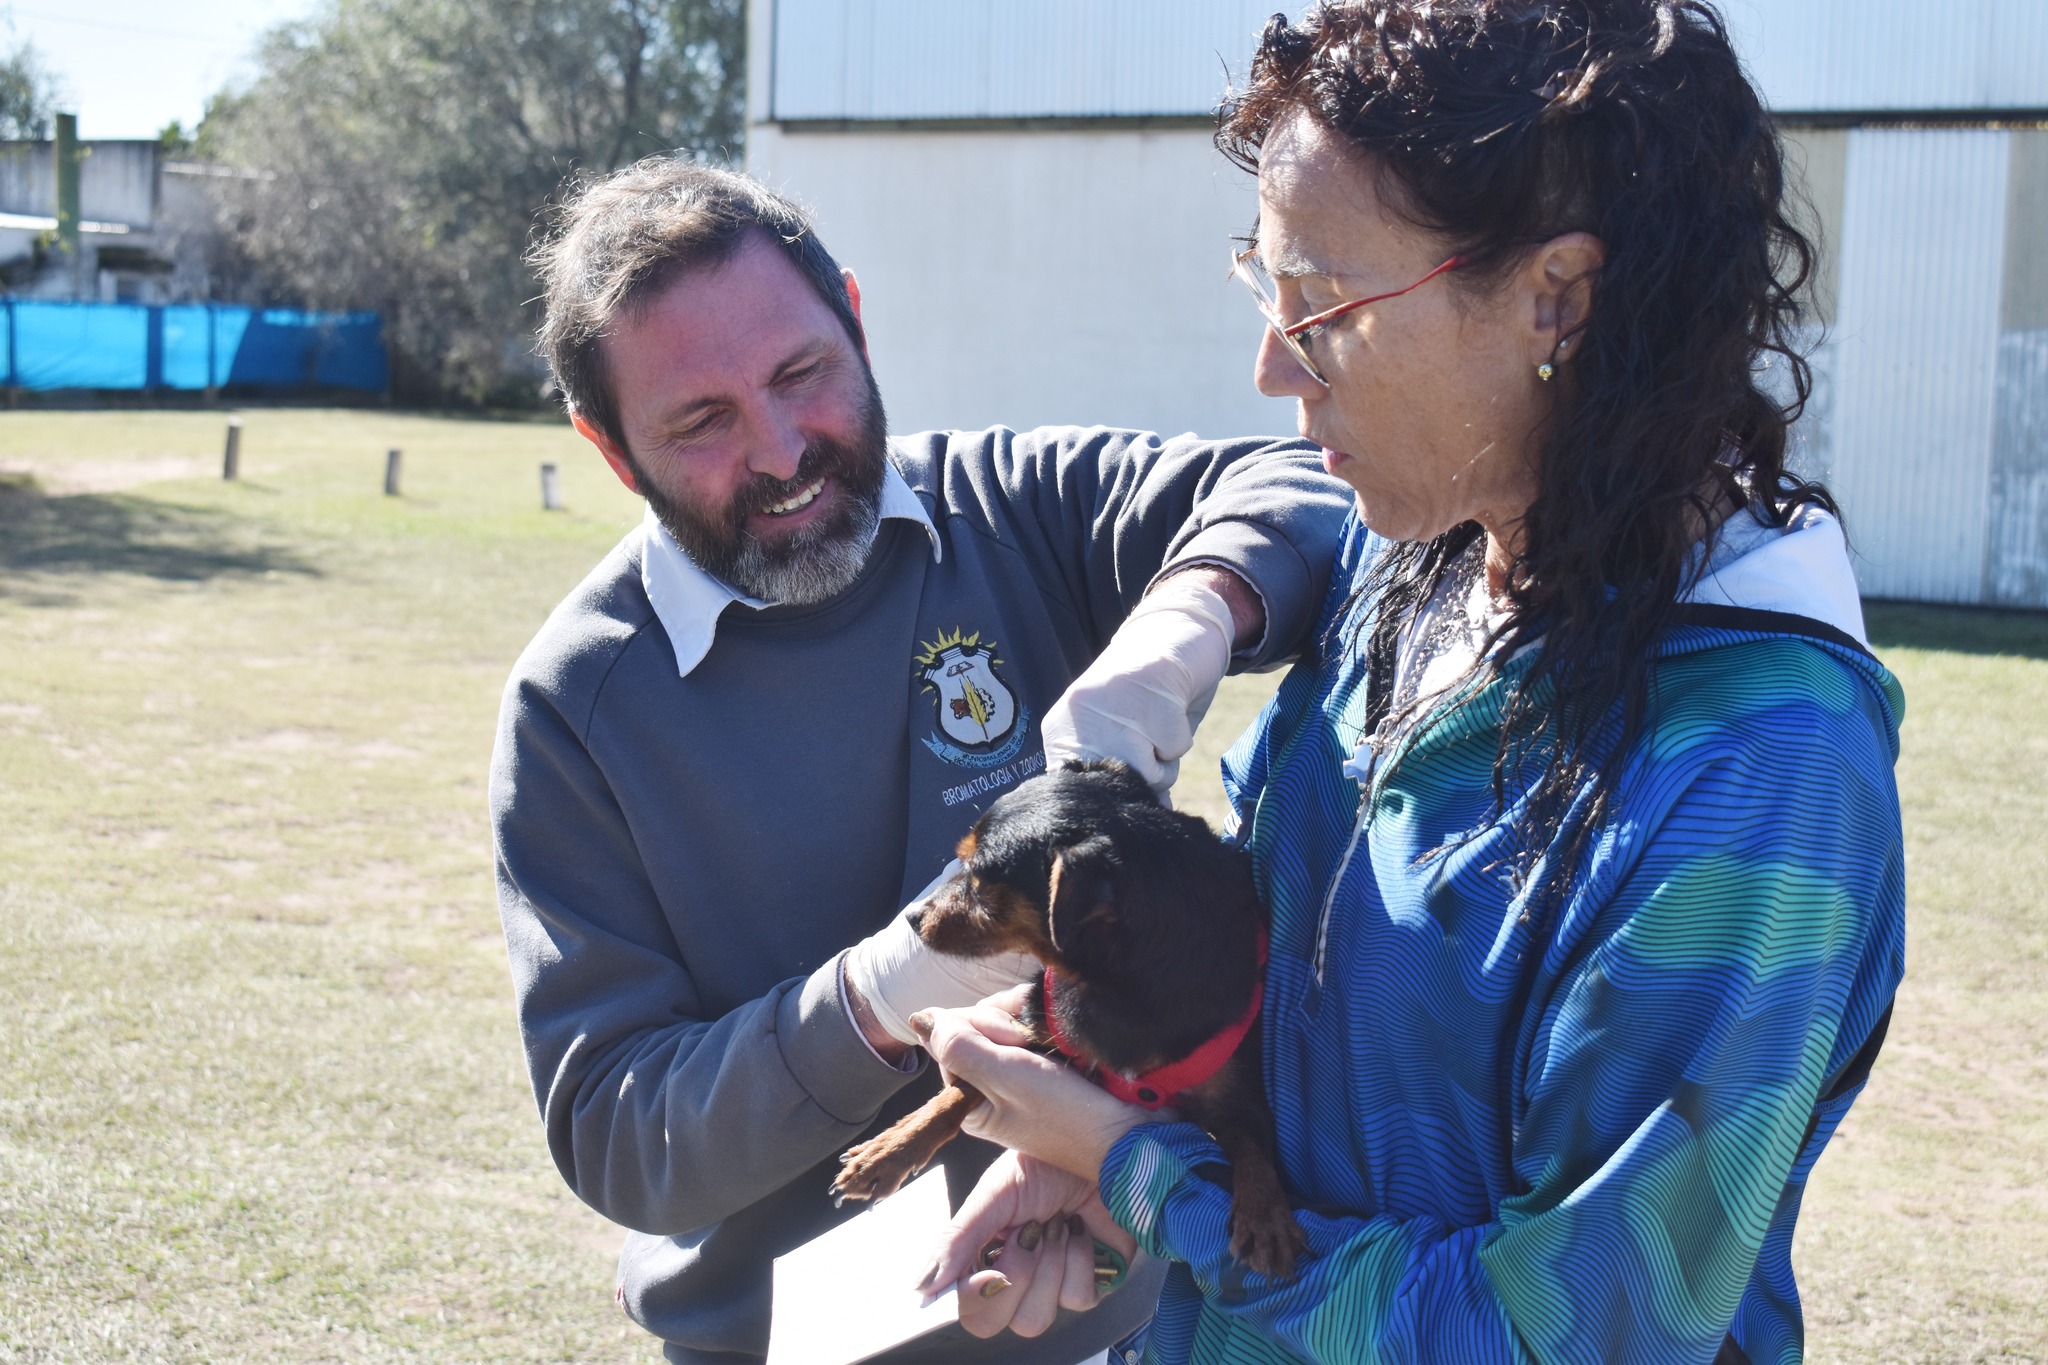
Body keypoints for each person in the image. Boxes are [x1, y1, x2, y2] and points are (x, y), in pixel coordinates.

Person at [914, 3, 1908, 1362]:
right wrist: (1118, 1113)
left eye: (1322, 307)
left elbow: (1566, 1336)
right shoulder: (1428, 548)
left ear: (1556, 299)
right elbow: (1308, 1021)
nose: (1271, 366)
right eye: (1264, 290)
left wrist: (1142, 1169)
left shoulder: (1759, 773)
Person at [489, 159, 1352, 1365]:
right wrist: (880, 998)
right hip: (782, 1343)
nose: (781, 451)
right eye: (700, 422)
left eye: (801, 372)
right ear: (609, 445)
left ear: (852, 315)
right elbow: (619, 1137)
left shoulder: (1013, 507)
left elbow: (1302, 484)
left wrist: (1186, 623)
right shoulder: (575, 712)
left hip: (1109, 1310)